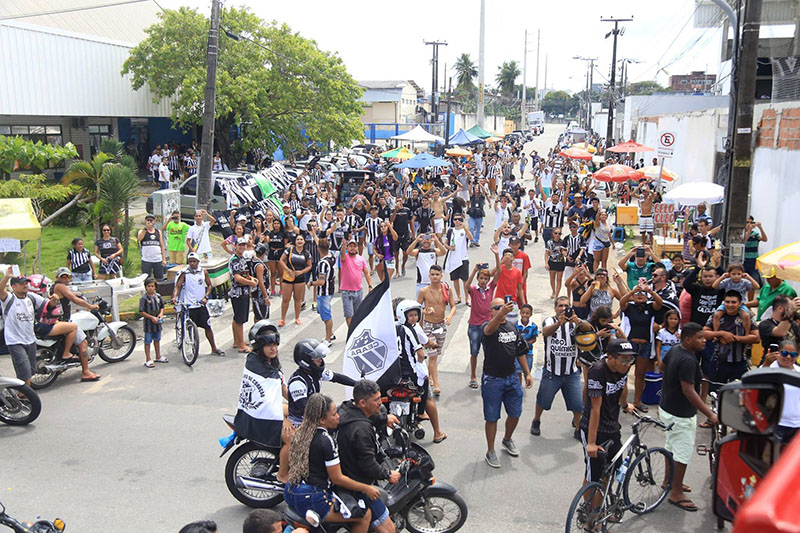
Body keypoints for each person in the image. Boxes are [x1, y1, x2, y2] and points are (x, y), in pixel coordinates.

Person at [284, 394, 376, 533]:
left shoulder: (299, 433)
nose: (338, 416)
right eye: (334, 414)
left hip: (291, 491)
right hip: (313, 497)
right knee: (364, 514)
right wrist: (366, 488)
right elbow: (337, 478)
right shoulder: (325, 440)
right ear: (322, 420)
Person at [2, 268, 101, 385]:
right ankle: (83, 369)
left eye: (26, 283)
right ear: (14, 287)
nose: (25, 286)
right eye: (21, 284)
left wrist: (54, 301)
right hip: (15, 341)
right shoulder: (9, 299)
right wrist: (7, 277)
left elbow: (47, 305)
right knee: (25, 373)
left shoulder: (31, 297)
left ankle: (24, 395)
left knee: (30, 372)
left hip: (30, 339)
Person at [658, 322, 718, 512]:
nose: (704, 341)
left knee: (671, 447)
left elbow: (662, 366)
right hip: (680, 414)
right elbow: (689, 390)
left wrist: (670, 385)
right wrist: (710, 414)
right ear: (688, 339)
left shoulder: (675, 349)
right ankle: (676, 493)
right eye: (700, 338)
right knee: (682, 453)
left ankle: (669, 481)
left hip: (666, 407)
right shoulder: (689, 361)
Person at [337, 381, 402, 533]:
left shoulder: (346, 409)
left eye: (380, 398)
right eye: (376, 400)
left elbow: (367, 416)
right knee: (389, 530)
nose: (380, 403)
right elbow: (368, 464)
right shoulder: (361, 430)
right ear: (362, 402)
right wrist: (387, 474)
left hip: (346, 474)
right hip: (357, 485)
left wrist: (384, 419)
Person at [481, 297, 533, 468]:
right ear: (491, 311)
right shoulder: (487, 326)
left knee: (515, 413)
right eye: (496, 307)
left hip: (511, 378)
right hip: (493, 379)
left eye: (503, 306)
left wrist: (527, 373)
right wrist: (500, 314)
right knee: (492, 417)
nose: (501, 309)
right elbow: (489, 330)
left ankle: (507, 439)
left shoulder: (512, 327)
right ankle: (490, 451)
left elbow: (520, 352)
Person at [580, 339, 636, 489]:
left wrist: (625, 405)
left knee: (613, 470)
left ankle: (603, 507)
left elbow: (623, 387)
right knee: (594, 477)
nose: (628, 363)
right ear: (610, 357)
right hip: (594, 429)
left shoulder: (625, 367)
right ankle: (591, 511)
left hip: (612, 428)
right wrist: (591, 443)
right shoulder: (597, 371)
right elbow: (594, 408)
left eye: (630, 359)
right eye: (624, 360)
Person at [531, 297, 586, 439]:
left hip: (571, 372)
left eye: (566, 306)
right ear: (555, 308)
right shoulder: (550, 321)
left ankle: (578, 427)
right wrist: (559, 324)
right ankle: (536, 420)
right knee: (543, 399)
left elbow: (587, 331)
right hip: (552, 372)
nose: (563, 308)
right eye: (560, 305)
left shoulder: (574, 324)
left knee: (578, 404)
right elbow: (546, 331)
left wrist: (577, 321)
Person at [394, 300, 447, 443]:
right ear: (403, 315)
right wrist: (424, 355)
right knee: (427, 393)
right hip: (412, 372)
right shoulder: (412, 329)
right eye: (410, 315)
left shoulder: (391, 328)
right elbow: (422, 351)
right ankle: (436, 431)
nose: (414, 318)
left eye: (415, 315)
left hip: (394, 373)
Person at [287, 339, 356, 426]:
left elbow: (337, 377)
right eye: (316, 358)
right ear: (306, 361)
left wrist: (357, 384)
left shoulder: (316, 372)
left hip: (315, 415)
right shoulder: (297, 383)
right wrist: (327, 416)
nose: (320, 360)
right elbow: (304, 409)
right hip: (301, 424)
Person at [618, 280, 663, 411]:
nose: (639, 295)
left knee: (640, 374)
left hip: (645, 345)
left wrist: (650, 291)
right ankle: (623, 401)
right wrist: (632, 292)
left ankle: (637, 401)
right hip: (631, 344)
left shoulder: (650, 307)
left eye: (642, 294)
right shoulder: (629, 307)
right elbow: (622, 302)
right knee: (623, 372)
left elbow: (659, 303)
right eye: (637, 294)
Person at [172, 253, 224, 356]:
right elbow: (177, 287)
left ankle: (214, 348)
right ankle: (192, 348)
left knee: (208, 327)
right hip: (189, 305)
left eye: (194, 261)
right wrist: (174, 297)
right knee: (190, 328)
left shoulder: (203, 272)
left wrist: (206, 297)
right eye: (190, 261)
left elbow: (209, 285)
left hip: (200, 304)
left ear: (198, 262)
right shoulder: (185, 273)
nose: (192, 263)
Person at [703, 290, 758, 385]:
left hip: (739, 362)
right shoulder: (717, 315)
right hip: (718, 361)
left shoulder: (747, 317)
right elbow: (704, 333)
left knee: (738, 394)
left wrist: (735, 338)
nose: (730, 305)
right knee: (715, 392)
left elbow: (756, 338)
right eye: (727, 302)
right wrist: (721, 334)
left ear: (740, 303)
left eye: (733, 302)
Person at [418, 264, 456, 396]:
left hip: (441, 325)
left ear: (441, 276)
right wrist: (425, 311)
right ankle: (436, 384)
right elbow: (417, 309)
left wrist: (449, 316)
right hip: (428, 326)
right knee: (432, 356)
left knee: (435, 354)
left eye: (437, 274)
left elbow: (453, 306)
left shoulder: (447, 289)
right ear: (429, 276)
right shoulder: (424, 291)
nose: (434, 277)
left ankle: (430, 376)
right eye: (432, 274)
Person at [769, 339, 800, 444]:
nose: (788, 357)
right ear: (778, 352)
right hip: (777, 425)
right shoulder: (768, 369)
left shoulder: (798, 372)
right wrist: (766, 364)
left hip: (797, 425)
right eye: (784, 353)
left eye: (793, 354)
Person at [279, 234, 312, 327]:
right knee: (285, 299)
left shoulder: (306, 253)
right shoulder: (289, 250)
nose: (299, 241)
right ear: (295, 241)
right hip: (288, 278)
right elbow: (281, 260)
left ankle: (297, 318)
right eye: (298, 239)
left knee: (298, 299)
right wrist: (287, 270)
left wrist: (302, 272)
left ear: (304, 241)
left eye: (301, 239)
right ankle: (282, 319)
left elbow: (309, 266)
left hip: (300, 279)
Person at [758, 295, 800, 366]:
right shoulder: (765, 324)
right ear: (780, 308)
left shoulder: (793, 324)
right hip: (771, 365)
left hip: (790, 364)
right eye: (789, 308)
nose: (793, 311)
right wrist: (790, 312)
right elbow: (780, 332)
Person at [340, 239, 372, 328]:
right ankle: (351, 332)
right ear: (347, 248)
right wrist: (343, 245)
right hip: (346, 291)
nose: (352, 248)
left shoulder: (361, 259)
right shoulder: (345, 258)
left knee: (357, 314)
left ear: (357, 248)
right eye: (350, 246)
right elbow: (342, 255)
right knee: (349, 314)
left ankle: (356, 331)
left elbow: (366, 272)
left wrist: (370, 285)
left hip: (358, 291)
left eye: (354, 246)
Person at [442, 215, 472, 305]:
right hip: (453, 258)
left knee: (465, 280)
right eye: (455, 219)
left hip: (463, 258)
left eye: (460, 219)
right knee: (455, 279)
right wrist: (449, 248)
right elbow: (446, 243)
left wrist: (465, 228)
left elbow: (471, 238)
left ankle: (467, 297)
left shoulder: (464, 230)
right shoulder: (451, 231)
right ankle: (458, 297)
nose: (457, 221)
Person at [312, 239, 336, 345]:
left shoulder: (323, 263)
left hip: (324, 292)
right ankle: (330, 333)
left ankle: (328, 338)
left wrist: (311, 283)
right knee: (325, 314)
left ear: (318, 249)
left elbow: (321, 281)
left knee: (326, 316)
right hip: (330, 289)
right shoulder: (331, 257)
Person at [139, 277, 166, 368]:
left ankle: (158, 356)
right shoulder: (144, 298)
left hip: (157, 323)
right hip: (148, 324)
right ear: (146, 287)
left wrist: (161, 314)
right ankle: (148, 359)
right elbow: (141, 311)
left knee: (157, 340)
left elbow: (162, 306)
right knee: (148, 341)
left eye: (152, 286)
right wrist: (151, 317)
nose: (150, 288)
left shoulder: (158, 297)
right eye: (148, 286)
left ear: (155, 287)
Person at [138, 213, 167, 280]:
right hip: (146, 259)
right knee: (146, 278)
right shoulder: (142, 231)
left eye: (151, 220)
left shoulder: (158, 231)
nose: (149, 221)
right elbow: (139, 239)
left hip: (157, 259)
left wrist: (164, 259)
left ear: (154, 221)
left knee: (159, 278)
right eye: (148, 220)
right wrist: (145, 229)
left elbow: (162, 246)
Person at [516, 303, 538, 385]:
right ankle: (519, 386)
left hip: (528, 351)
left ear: (531, 314)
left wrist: (527, 343)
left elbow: (534, 338)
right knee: (517, 370)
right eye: (523, 312)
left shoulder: (533, 326)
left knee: (527, 370)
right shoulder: (516, 325)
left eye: (527, 313)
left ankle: (527, 382)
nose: (525, 315)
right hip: (517, 352)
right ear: (520, 313)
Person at [545, 226, 568, 299]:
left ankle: (557, 294)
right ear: (553, 234)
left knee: (559, 279)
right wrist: (546, 263)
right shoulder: (549, 242)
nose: (558, 235)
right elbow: (547, 253)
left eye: (559, 233)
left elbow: (565, 251)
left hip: (560, 261)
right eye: (556, 233)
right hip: (552, 261)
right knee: (552, 278)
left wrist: (564, 253)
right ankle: (553, 291)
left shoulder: (563, 242)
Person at [250, 244, 270, 322]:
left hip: (255, 291)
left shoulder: (253, 260)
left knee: (257, 314)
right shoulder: (259, 265)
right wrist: (266, 297)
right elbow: (261, 282)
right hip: (260, 294)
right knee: (261, 316)